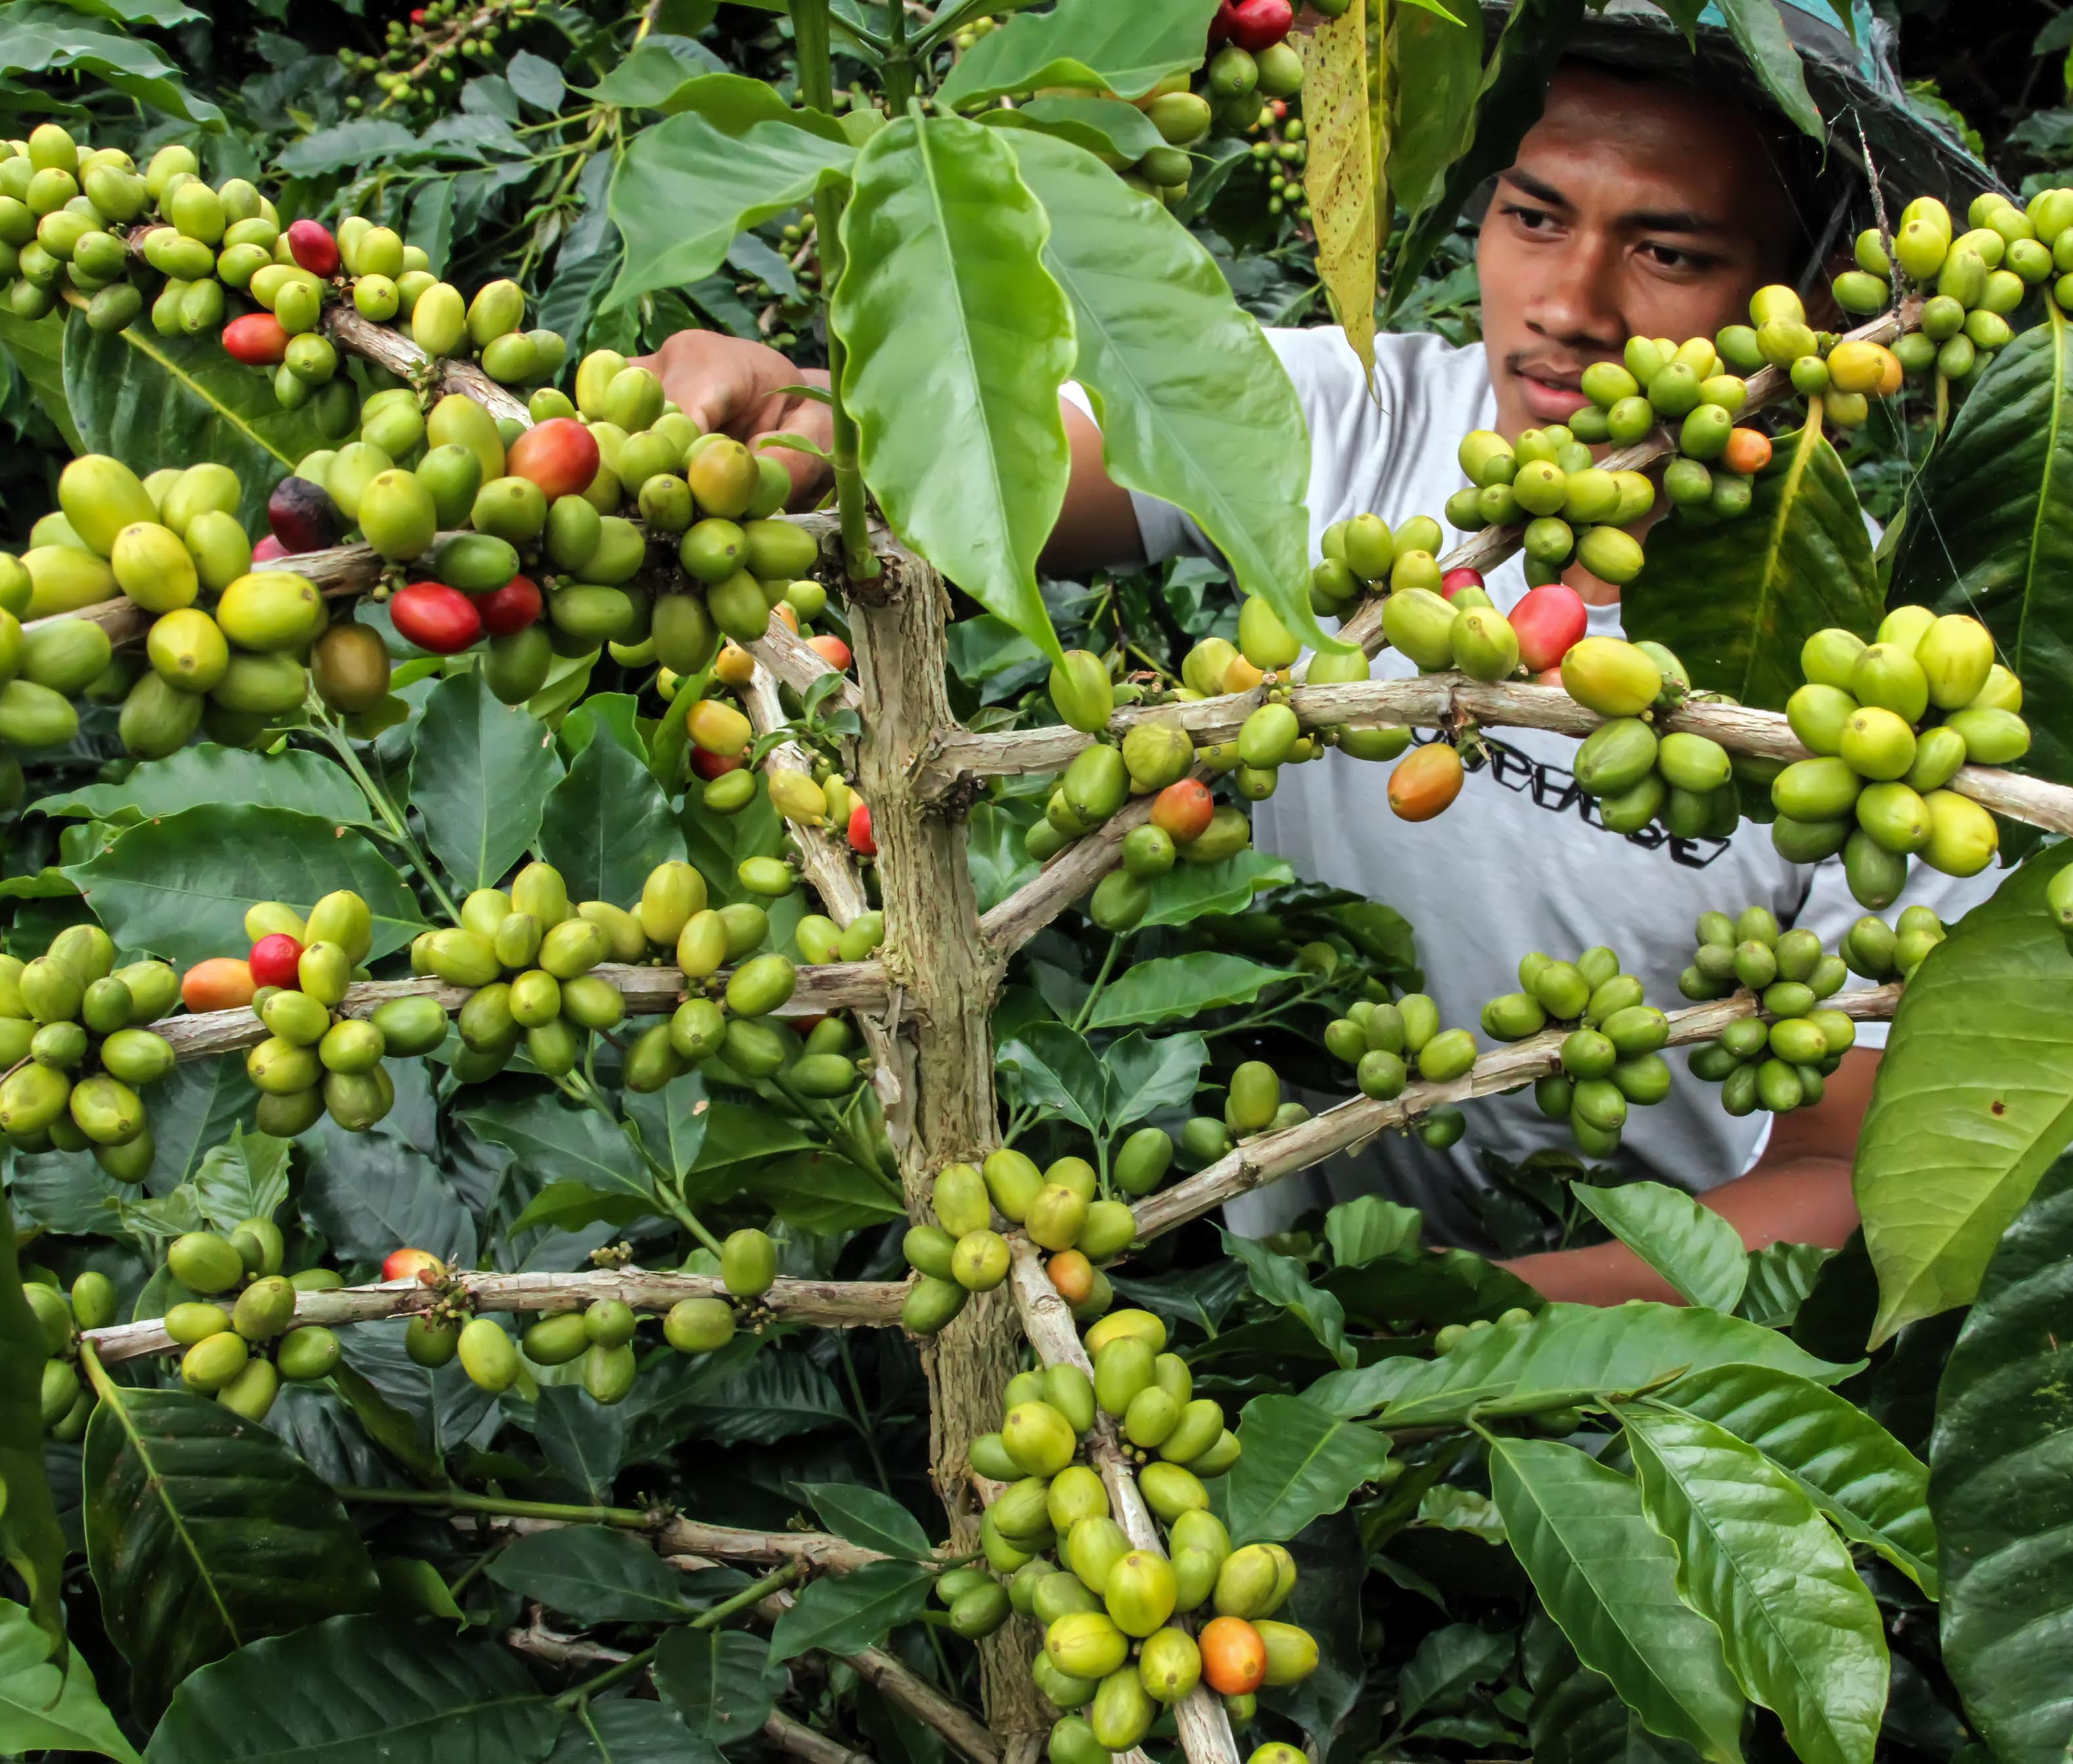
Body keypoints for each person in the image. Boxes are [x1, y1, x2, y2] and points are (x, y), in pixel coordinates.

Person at [638, 33, 2002, 1303]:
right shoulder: (1358, 416)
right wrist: (794, 418)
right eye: (1534, 219)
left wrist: (1488, 1325)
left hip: (1613, 1376)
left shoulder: (1886, 670)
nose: (1570, 305)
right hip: (1238, 1280)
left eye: (1669, 252)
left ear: (1813, 300)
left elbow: (1850, 1173)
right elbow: (1000, 472)